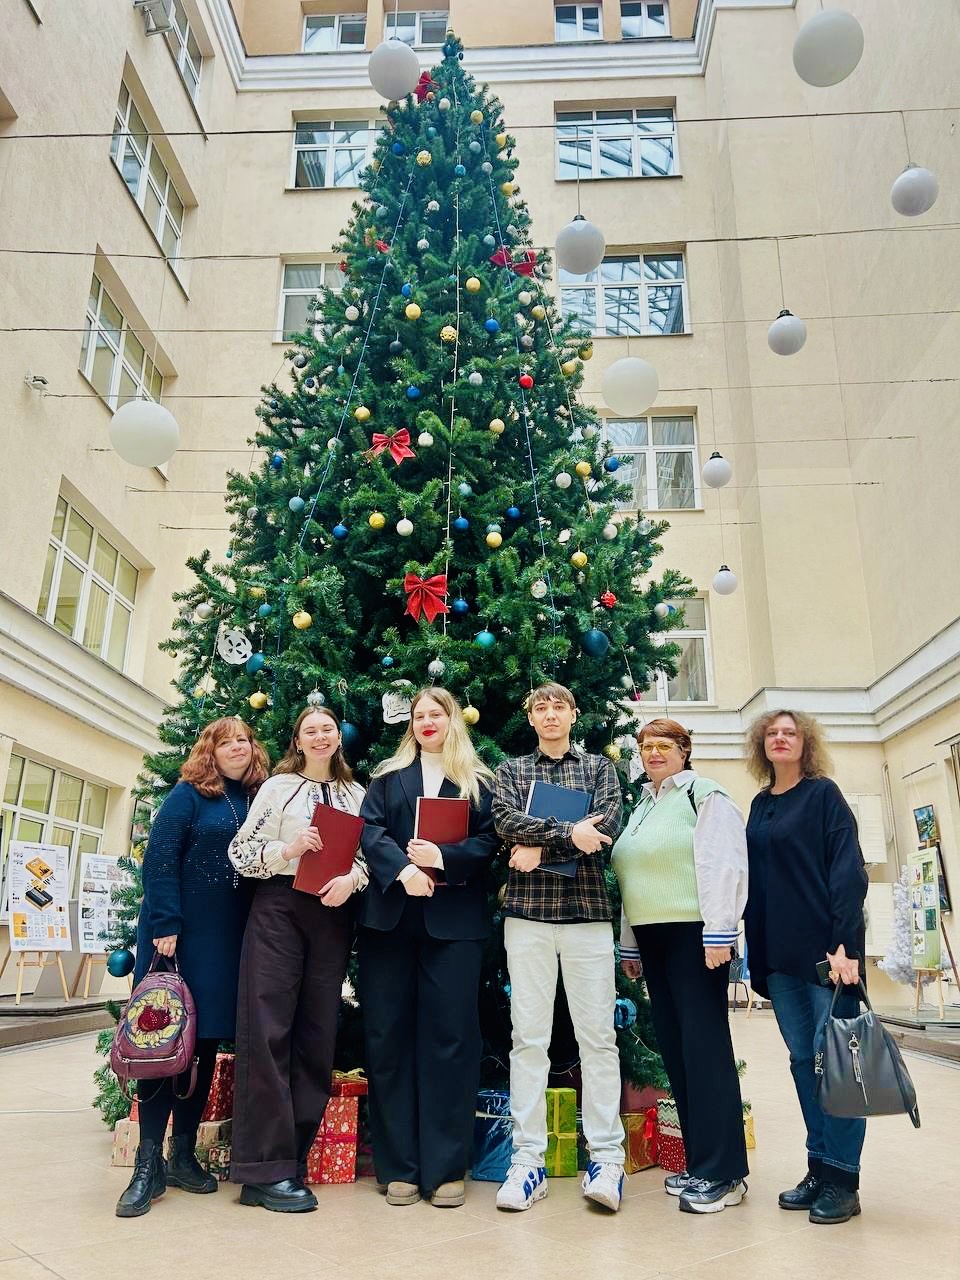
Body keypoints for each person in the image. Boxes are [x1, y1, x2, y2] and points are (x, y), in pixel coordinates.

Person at [117, 716, 269, 1219]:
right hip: (179, 935)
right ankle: (147, 1163)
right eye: (227, 742)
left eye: (244, 740)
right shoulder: (189, 795)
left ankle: (182, 1155)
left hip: (228, 939)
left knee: (200, 1046)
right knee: (161, 1043)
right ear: (210, 750)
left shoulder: (258, 798)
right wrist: (165, 921)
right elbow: (160, 858)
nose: (238, 748)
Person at [358, 687, 498, 1208]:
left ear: (452, 720)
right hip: (390, 922)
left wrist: (441, 859)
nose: (427, 722)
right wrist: (404, 871)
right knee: (388, 1038)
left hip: (454, 927)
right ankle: (400, 1168)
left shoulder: (478, 781)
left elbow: (488, 842)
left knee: (451, 1040)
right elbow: (369, 831)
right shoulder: (387, 778)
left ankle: (444, 1170)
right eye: (419, 716)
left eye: (436, 714)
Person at [492, 683, 625, 1214]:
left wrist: (537, 846)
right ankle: (528, 1162)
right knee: (528, 1039)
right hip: (527, 917)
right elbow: (505, 822)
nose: (550, 714)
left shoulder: (599, 769)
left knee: (599, 1040)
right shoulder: (511, 770)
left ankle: (607, 1159)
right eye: (540, 708)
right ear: (531, 718)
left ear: (573, 715)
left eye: (558, 707)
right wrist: (571, 832)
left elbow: (607, 825)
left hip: (587, 917)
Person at [227, 705, 367, 1213]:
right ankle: (264, 1170)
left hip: (331, 914)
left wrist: (354, 879)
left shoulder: (357, 794)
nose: (320, 736)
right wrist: (288, 849)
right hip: (279, 909)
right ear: (298, 739)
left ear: (338, 737)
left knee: (316, 1033)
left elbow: (370, 855)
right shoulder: (278, 788)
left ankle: (294, 1159)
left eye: (328, 728)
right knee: (268, 1029)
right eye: (310, 729)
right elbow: (241, 852)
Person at [613, 718, 749, 1215]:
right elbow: (632, 875)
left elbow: (723, 863)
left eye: (664, 745)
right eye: (646, 746)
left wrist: (720, 931)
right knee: (677, 1050)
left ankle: (725, 1173)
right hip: (653, 939)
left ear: (685, 750)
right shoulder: (643, 805)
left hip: (696, 936)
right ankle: (700, 1161)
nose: (653, 753)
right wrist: (630, 944)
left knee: (705, 1050)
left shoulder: (703, 794)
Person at [744, 709, 868, 1225]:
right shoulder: (760, 804)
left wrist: (845, 945)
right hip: (778, 957)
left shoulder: (823, 796)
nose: (780, 738)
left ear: (805, 742)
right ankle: (818, 1167)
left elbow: (848, 871)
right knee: (803, 1061)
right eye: (772, 733)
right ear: (761, 744)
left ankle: (843, 1179)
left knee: (835, 1062)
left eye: (789, 732)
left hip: (825, 957)